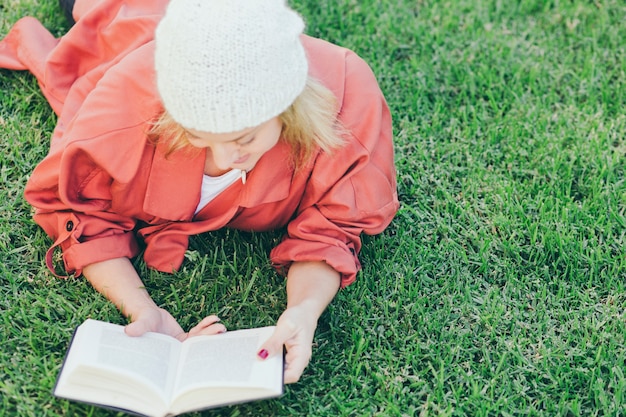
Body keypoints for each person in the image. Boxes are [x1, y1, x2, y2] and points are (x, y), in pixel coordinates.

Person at [0, 0, 398, 383]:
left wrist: (304, 310)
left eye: (245, 137)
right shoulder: (125, 104)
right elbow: (81, 214)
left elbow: (331, 229)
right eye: (196, 135)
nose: (226, 157)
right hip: (135, 21)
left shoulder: (346, 103)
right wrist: (143, 308)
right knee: (106, 13)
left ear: (288, 107)